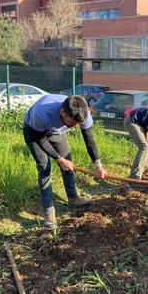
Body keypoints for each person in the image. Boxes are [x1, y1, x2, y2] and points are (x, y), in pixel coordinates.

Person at [23, 95, 107, 228]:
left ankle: (73, 198)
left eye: (77, 124)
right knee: (44, 168)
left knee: (68, 164)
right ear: (62, 112)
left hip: (57, 133)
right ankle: (49, 212)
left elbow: (89, 139)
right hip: (35, 133)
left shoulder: (82, 113)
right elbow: (41, 139)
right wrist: (59, 158)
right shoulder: (41, 113)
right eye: (72, 123)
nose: (74, 128)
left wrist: (98, 164)